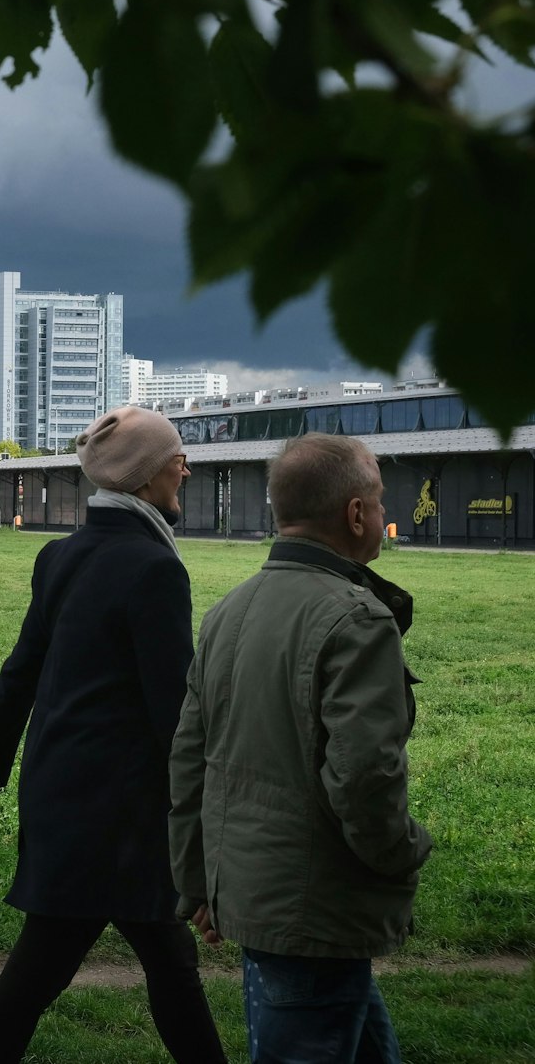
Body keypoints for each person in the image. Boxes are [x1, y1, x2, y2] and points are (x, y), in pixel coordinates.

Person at [0, 407, 224, 1064]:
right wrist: (208, 812)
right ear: (145, 476)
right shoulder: (154, 567)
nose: (186, 470)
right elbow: (175, 710)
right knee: (51, 973)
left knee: (157, 961)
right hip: (121, 815)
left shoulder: (61, 555)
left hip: (64, 797)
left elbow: (21, 670)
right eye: (177, 459)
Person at [169, 434, 430, 1064]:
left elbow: (190, 760)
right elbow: (364, 777)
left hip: (257, 894)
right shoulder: (358, 619)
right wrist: (402, 854)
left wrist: (200, 882)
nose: (383, 511)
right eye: (379, 498)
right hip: (315, 910)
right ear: (356, 514)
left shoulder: (228, 611)